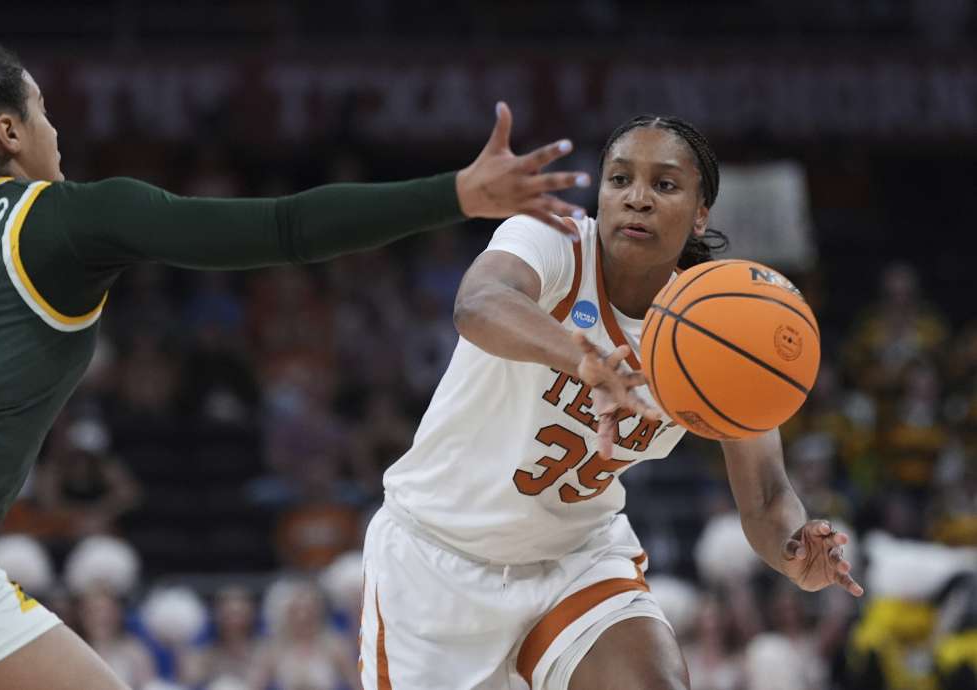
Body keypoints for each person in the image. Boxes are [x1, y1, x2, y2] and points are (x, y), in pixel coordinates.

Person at [0, 1, 593, 688]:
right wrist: (455, 193)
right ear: (8, 133)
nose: (54, 135)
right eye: (42, 113)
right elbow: (283, 226)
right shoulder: (65, 215)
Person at [358, 114, 864, 690]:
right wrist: (585, 362)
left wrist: (795, 551)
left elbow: (768, 495)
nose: (637, 200)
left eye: (665, 185)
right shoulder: (551, 237)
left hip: (575, 557)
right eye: (619, 180)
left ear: (702, 212)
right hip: (436, 560)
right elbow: (478, 303)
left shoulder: (724, 326)